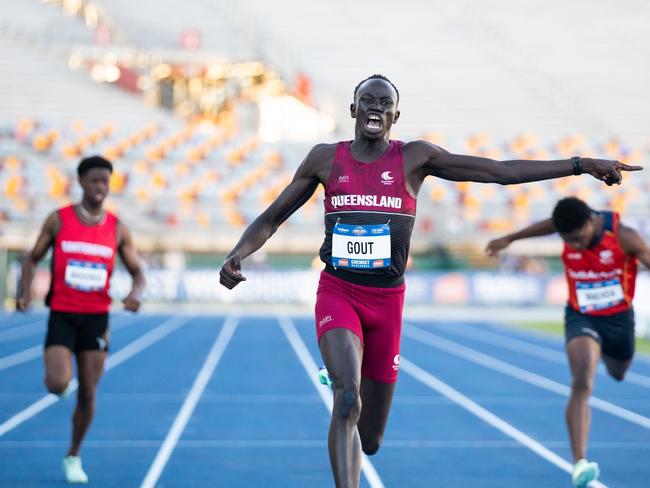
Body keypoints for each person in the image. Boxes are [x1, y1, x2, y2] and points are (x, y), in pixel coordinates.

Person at [219, 74, 642, 488]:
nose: (375, 108)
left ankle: (345, 371)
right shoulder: (326, 159)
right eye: (368, 100)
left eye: (385, 103)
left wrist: (581, 164)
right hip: (338, 291)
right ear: (352, 109)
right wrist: (239, 253)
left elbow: (499, 172)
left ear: (396, 116)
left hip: (387, 302)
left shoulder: (413, 159)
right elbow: (273, 217)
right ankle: (342, 375)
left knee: (370, 440)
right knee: (347, 399)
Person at [486, 196, 650, 488]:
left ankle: (609, 354)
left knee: (619, 372)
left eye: (578, 238)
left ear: (592, 221)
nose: (574, 245)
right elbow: (545, 226)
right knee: (582, 381)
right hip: (581, 315)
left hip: (619, 320)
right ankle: (580, 463)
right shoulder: (565, 225)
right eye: (567, 240)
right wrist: (509, 238)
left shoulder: (625, 237)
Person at [17, 155, 145, 484]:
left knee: (88, 393)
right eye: (94, 180)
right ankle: (60, 385)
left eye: (106, 181)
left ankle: (73, 455)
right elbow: (31, 259)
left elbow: (137, 272)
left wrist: (135, 294)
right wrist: (25, 291)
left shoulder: (117, 228)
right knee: (58, 384)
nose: (101, 187)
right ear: (81, 182)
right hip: (62, 314)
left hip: (96, 319)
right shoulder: (58, 220)